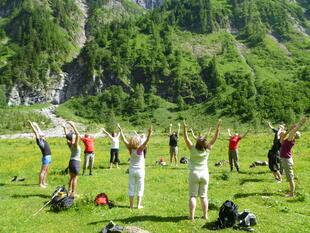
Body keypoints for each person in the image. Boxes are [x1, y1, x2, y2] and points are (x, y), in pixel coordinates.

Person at [183, 120, 222, 220]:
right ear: (205, 142)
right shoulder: (208, 149)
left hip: (194, 173)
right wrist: (218, 127)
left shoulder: (192, 148)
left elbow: (186, 138)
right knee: (203, 196)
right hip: (204, 174)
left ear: (197, 142)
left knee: (193, 196)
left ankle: (191, 216)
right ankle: (205, 215)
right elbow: (215, 138)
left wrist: (184, 128)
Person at [118, 123, 152, 209]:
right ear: (138, 142)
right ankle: (138, 205)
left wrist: (121, 130)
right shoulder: (140, 149)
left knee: (131, 187)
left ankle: (131, 205)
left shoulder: (129, 148)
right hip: (140, 171)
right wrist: (149, 133)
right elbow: (147, 141)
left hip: (132, 170)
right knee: (140, 188)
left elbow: (123, 139)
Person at [280, 117, 307, 197]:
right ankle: (291, 192)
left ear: (294, 135)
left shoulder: (290, 140)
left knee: (290, 178)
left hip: (286, 160)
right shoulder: (287, 140)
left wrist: (300, 124)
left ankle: (292, 194)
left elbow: (293, 132)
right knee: (289, 177)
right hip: (286, 159)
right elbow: (281, 139)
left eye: (293, 133)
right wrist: (289, 129)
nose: (291, 132)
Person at [28, 121, 51, 188]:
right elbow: (36, 132)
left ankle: (43, 182)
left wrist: (37, 125)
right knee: (43, 171)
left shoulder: (43, 140)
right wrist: (32, 125)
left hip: (49, 158)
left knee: (46, 171)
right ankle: (40, 184)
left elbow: (40, 132)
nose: (44, 136)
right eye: (42, 136)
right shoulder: (40, 142)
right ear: (40, 137)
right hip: (46, 158)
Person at [62, 121, 81, 198]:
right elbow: (78, 134)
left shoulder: (69, 143)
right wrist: (73, 126)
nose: (74, 135)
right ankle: (73, 193)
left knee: (71, 177)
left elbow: (67, 135)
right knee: (75, 178)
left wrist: (64, 127)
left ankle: (69, 192)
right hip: (76, 162)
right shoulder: (75, 145)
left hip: (71, 162)